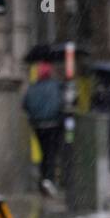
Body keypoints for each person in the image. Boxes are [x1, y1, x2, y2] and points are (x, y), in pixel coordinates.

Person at [22, 62, 64, 198]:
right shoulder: (56, 86)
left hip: (38, 126)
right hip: (53, 124)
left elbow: (25, 105)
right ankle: (48, 180)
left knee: (44, 153)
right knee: (51, 153)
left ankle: (43, 180)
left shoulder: (33, 87)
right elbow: (61, 103)